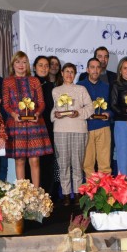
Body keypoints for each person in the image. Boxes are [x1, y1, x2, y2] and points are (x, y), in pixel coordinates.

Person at [4, 51, 54, 188]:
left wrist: (37, 114)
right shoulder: (7, 81)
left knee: (35, 160)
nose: (21, 65)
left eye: (24, 62)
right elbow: (6, 104)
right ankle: (22, 194)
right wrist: (14, 115)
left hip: (34, 124)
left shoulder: (34, 80)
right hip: (16, 124)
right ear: (13, 64)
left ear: (28, 65)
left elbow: (41, 102)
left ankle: (36, 194)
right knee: (19, 160)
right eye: (18, 62)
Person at [51, 63, 93, 206]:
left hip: (79, 130)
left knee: (77, 164)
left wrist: (79, 113)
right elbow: (54, 109)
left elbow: (90, 107)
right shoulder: (56, 90)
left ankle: (77, 194)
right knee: (63, 164)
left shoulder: (81, 89)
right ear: (62, 73)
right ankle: (66, 194)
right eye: (67, 71)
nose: (69, 74)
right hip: (61, 130)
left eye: (72, 72)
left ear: (75, 74)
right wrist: (55, 114)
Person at [79, 58, 112, 179]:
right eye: (92, 67)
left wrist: (108, 113)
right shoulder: (79, 86)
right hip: (86, 128)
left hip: (103, 127)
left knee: (105, 164)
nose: (95, 70)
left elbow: (112, 106)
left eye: (98, 67)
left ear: (101, 69)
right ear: (87, 69)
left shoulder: (107, 86)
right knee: (88, 164)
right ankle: (90, 195)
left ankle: (105, 193)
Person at [33, 56, 58, 194]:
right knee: (32, 163)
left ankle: (47, 197)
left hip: (48, 129)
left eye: (46, 65)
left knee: (48, 163)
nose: (43, 68)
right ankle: (32, 196)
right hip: (32, 128)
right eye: (40, 65)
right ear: (34, 67)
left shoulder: (51, 87)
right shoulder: (29, 84)